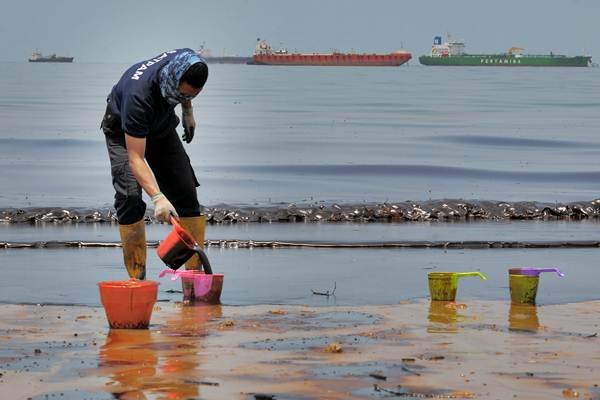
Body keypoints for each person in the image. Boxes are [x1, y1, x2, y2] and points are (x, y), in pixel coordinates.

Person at [101, 48, 209, 280]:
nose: (180, 100)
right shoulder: (137, 97)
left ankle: (194, 282)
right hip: (123, 130)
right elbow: (136, 158)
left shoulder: (187, 61)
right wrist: (158, 198)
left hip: (161, 126)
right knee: (129, 198)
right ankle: (137, 279)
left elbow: (186, 92)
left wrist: (187, 111)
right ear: (171, 78)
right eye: (179, 96)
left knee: (186, 195)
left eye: (187, 97)